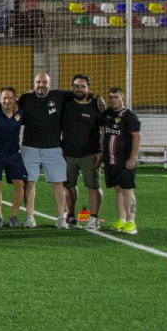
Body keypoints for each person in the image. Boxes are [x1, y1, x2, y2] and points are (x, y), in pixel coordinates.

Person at [19, 73, 71, 228]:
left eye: (44, 82)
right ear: (33, 83)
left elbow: (80, 94)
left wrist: (96, 99)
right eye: (38, 82)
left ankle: (61, 217)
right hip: (30, 148)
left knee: (58, 183)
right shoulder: (25, 98)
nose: (41, 85)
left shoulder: (59, 96)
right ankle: (29, 217)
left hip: (53, 148)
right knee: (30, 182)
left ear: (50, 83)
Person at [61, 74, 105, 230]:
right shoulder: (65, 103)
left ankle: (93, 218)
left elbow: (103, 130)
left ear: (89, 88)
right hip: (68, 153)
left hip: (90, 153)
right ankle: (71, 215)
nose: (79, 89)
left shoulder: (96, 105)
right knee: (68, 185)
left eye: (82, 86)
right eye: (76, 86)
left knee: (93, 186)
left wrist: (102, 150)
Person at [0, 87, 27, 227]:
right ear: (0, 99)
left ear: (15, 99)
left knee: (20, 184)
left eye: (10, 98)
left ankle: (14, 217)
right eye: (4, 98)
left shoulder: (20, 112)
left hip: (13, 154)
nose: (7, 101)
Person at [101, 88, 141, 235]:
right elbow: (105, 132)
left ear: (122, 98)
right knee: (117, 189)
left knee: (127, 191)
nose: (112, 100)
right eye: (110, 97)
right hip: (111, 160)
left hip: (124, 161)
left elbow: (137, 137)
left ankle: (131, 222)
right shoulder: (108, 114)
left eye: (116, 97)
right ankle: (121, 219)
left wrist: (133, 158)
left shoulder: (129, 116)